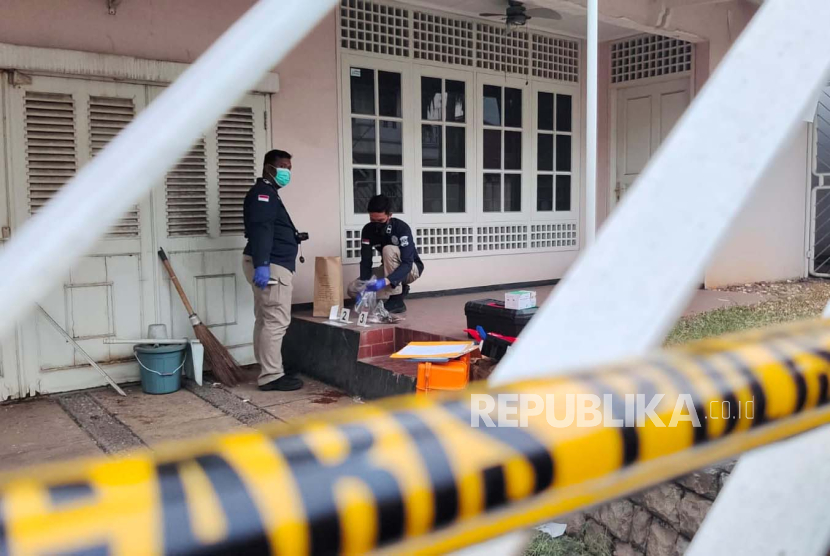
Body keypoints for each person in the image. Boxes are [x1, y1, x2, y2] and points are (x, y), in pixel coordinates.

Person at [242, 149, 304, 392]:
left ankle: (268, 367)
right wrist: (263, 264)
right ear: (269, 167)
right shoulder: (263, 194)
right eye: (283, 167)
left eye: (290, 168)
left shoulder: (269, 193)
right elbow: (262, 229)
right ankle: (271, 375)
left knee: (265, 319)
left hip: (270, 263)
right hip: (272, 265)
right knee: (276, 320)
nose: (287, 172)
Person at [348, 194, 424, 313]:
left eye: (381, 220)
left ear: (389, 215)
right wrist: (364, 286)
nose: (376, 224)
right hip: (389, 269)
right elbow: (366, 261)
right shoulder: (368, 230)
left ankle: (396, 300)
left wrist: (385, 281)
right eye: (372, 220)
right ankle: (398, 289)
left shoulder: (401, 228)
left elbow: (407, 263)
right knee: (353, 289)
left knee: (388, 249)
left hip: (411, 270)